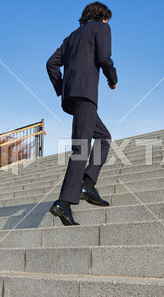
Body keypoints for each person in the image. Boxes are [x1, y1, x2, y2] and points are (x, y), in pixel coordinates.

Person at [46, 2, 118, 226]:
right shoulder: (101, 28)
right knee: (82, 148)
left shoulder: (70, 38)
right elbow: (104, 57)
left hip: (72, 97)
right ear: (102, 16)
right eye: (107, 18)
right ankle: (64, 201)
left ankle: (88, 183)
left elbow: (51, 64)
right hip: (86, 96)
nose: (108, 22)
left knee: (103, 138)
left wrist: (63, 88)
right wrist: (112, 78)